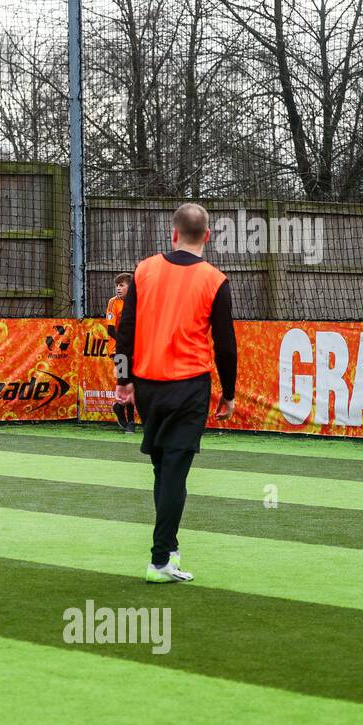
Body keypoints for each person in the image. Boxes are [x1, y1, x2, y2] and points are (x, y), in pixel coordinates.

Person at [114, 203, 237, 583]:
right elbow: (225, 345)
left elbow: (124, 331)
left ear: (173, 233)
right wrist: (229, 393)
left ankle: (170, 548)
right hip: (189, 389)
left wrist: (123, 380)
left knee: (163, 471)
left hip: (149, 387)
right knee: (174, 473)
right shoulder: (215, 280)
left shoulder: (144, 271)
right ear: (208, 236)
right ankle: (159, 559)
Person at [106, 271, 136, 433]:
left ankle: (119, 408)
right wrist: (125, 343)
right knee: (125, 379)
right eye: (117, 285)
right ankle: (130, 422)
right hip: (117, 351)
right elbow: (110, 330)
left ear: (130, 288)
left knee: (133, 383)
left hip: (134, 350)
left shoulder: (137, 303)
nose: (118, 288)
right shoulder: (113, 302)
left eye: (121, 285)